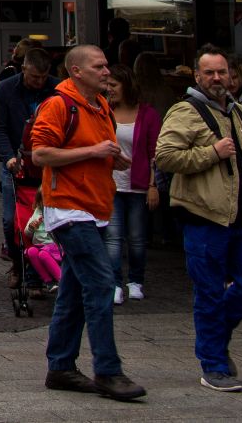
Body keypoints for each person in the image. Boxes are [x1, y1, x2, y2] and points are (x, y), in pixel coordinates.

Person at [154, 44, 242, 394]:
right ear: (198, 75)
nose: (218, 78)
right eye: (210, 73)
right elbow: (165, 156)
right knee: (208, 293)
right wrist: (211, 153)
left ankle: (216, 340)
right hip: (206, 218)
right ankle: (214, 365)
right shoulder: (185, 111)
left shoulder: (237, 111)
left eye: (223, 72)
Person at [31, 44, 143, 401]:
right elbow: (40, 154)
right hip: (68, 209)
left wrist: (113, 160)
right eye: (99, 66)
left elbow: (98, 151)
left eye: (107, 66)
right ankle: (108, 371)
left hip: (94, 207)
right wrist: (94, 153)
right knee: (100, 283)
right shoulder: (58, 105)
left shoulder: (100, 107)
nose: (107, 72)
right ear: (76, 71)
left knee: (75, 290)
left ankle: (60, 366)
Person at [0, 46, 58, 273]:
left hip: (48, 163)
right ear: (23, 69)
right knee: (12, 220)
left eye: (42, 77)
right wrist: (8, 157)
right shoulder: (6, 89)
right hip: (17, 162)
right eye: (33, 77)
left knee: (45, 220)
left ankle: (38, 270)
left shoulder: (56, 89)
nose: (39, 82)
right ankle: (18, 263)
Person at [106, 72, 159, 306]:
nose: (109, 89)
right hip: (111, 184)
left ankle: (135, 281)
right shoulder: (104, 111)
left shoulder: (147, 114)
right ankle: (115, 283)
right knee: (114, 238)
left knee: (137, 238)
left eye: (114, 84)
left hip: (137, 185)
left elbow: (154, 153)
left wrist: (153, 185)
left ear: (126, 86)